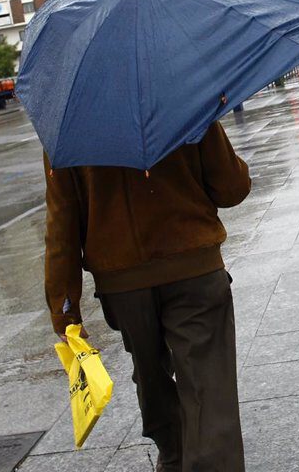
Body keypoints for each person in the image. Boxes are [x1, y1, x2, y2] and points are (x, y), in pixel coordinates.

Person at [43, 122, 251, 471]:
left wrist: (64, 308)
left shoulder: (67, 122)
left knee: (151, 377)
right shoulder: (181, 92)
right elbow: (232, 188)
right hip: (194, 267)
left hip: (123, 283)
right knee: (209, 390)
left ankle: (173, 454)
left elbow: (62, 219)